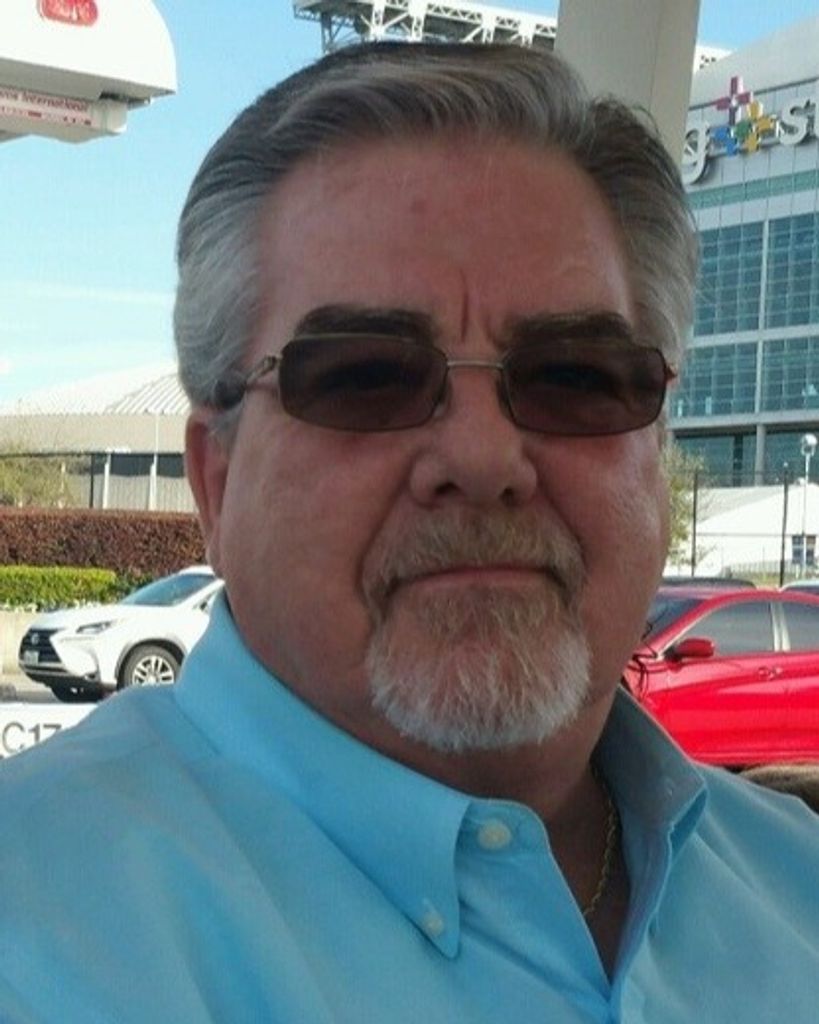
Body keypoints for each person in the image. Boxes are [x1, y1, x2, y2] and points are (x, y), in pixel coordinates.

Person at [1, 42, 818, 1023]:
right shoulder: (34, 930)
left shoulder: (795, 882)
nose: (482, 456)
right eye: (364, 377)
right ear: (216, 483)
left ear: (656, 456)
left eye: (574, 377)